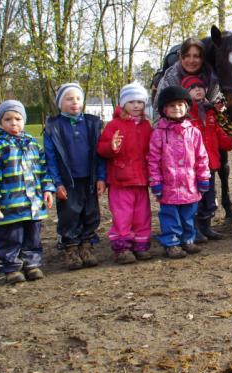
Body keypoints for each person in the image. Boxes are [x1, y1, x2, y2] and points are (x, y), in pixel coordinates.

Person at [0, 100, 55, 284]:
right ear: (1, 122)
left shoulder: (33, 145)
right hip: (10, 204)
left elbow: (44, 169)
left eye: (18, 119)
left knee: (33, 236)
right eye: (8, 119)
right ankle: (11, 268)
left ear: (24, 120)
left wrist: (47, 189)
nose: (13, 123)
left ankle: (31, 264)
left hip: (33, 204)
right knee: (10, 237)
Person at [44, 83, 106, 270]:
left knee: (91, 212)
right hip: (68, 180)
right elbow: (51, 157)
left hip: (89, 178)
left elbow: (100, 153)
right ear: (59, 103)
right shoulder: (54, 126)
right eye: (69, 99)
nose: (74, 102)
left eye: (78, 98)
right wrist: (57, 182)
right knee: (70, 214)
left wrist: (101, 177)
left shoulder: (92, 123)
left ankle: (86, 245)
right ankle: (70, 247)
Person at [148, 86, 210, 259]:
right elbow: (153, 160)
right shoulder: (159, 133)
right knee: (170, 216)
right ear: (163, 109)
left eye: (180, 104)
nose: (177, 108)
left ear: (187, 107)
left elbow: (201, 157)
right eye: (172, 105)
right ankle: (172, 242)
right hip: (169, 186)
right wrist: (156, 182)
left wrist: (203, 178)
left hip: (190, 184)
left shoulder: (194, 132)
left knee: (189, 215)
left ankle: (187, 239)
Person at [96, 82, 153, 264]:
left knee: (142, 214)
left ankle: (140, 245)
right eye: (131, 102)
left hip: (142, 179)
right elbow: (101, 149)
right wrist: (111, 148)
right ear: (123, 104)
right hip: (121, 179)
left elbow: (152, 149)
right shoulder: (114, 125)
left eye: (140, 102)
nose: (136, 106)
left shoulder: (146, 126)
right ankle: (122, 247)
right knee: (122, 214)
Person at [182, 75, 232, 241]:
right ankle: (194, 229)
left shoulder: (210, 112)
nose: (197, 90)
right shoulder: (185, 115)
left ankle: (206, 227)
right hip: (193, 167)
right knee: (196, 199)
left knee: (208, 198)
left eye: (200, 87)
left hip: (210, 165)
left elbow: (219, 134)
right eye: (192, 88)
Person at [154, 38, 219, 105]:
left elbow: (216, 102)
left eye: (196, 56)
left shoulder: (212, 79)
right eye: (187, 56)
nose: (191, 61)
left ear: (202, 58)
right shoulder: (170, 79)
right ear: (181, 57)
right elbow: (158, 109)